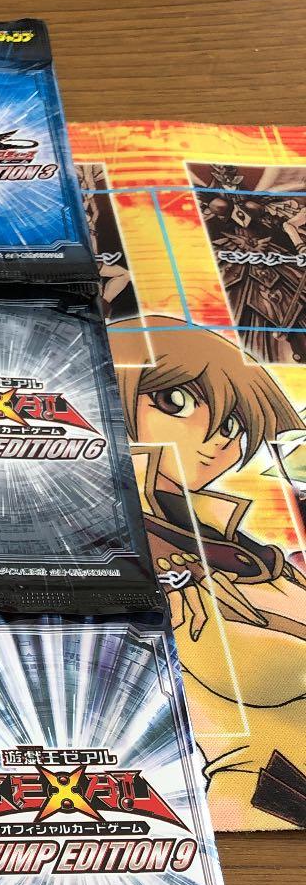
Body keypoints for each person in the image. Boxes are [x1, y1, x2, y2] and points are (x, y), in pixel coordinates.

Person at [111, 317, 305, 829]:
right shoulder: (124, 551)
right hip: (267, 809)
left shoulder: (243, 547)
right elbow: (242, 668)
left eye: (234, 427)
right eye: (175, 402)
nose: (218, 440)